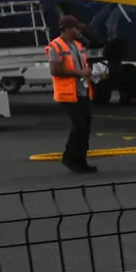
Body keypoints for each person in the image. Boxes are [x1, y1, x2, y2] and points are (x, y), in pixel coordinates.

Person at [47, 15, 95, 173]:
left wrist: (88, 73)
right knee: (79, 126)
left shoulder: (77, 45)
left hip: (82, 92)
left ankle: (79, 160)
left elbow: (82, 66)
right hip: (68, 93)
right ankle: (71, 159)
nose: (79, 31)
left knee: (85, 127)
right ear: (67, 29)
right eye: (76, 28)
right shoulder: (56, 46)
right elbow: (55, 70)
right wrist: (79, 73)